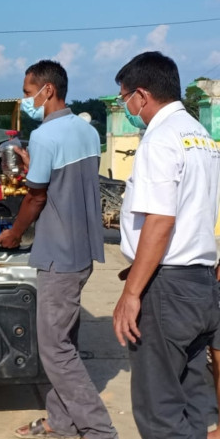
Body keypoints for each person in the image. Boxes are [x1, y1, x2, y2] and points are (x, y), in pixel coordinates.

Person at [0, 60, 118, 439]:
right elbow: (65, 181)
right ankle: (60, 422)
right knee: (66, 341)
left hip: (57, 253)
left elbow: (36, 196)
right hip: (83, 248)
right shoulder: (85, 129)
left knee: (53, 349)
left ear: (48, 91)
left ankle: (98, 429)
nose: (27, 99)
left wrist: (14, 234)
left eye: (29, 92)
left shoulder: (46, 136)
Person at [112, 51, 220, 439]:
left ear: (141, 95)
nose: (126, 107)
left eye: (125, 99)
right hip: (200, 285)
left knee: (159, 410)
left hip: (167, 286)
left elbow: (160, 222)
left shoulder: (160, 139)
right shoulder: (201, 136)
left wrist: (131, 292)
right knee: (192, 403)